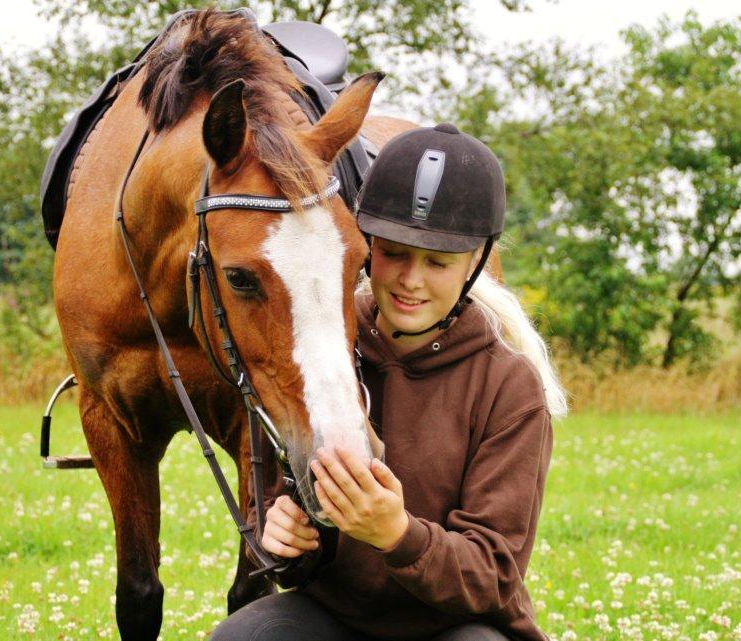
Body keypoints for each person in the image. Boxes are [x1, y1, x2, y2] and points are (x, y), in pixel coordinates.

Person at [211, 123, 567, 641]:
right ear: (367, 244)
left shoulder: (509, 385)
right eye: (394, 252)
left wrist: (395, 534)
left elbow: (492, 577)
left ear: (476, 263)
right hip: (338, 619)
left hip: (460, 627)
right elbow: (272, 499)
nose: (410, 279)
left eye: (438, 262)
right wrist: (280, 534)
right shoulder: (323, 348)